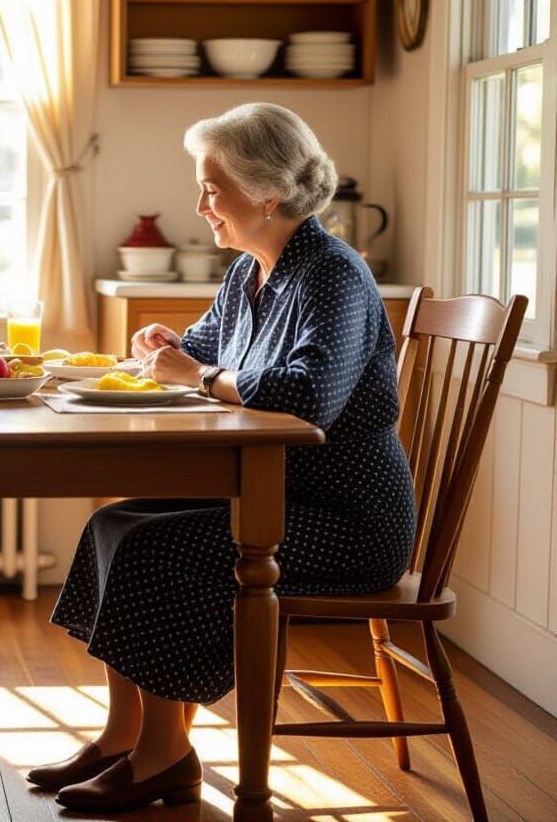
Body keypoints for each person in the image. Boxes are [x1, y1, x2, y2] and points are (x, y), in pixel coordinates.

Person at [28, 102, 416, 813]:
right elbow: (202, 351)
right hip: (276, 499)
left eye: (213, 187)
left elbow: (307, 397)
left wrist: (197, 376)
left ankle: (163, 757)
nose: (201, 204)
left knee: (159, 551)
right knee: (116, 525)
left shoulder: (331, 274)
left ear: (266, 191)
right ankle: (123, 735)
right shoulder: (251, 273)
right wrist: (162, 347)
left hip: (348, 520)